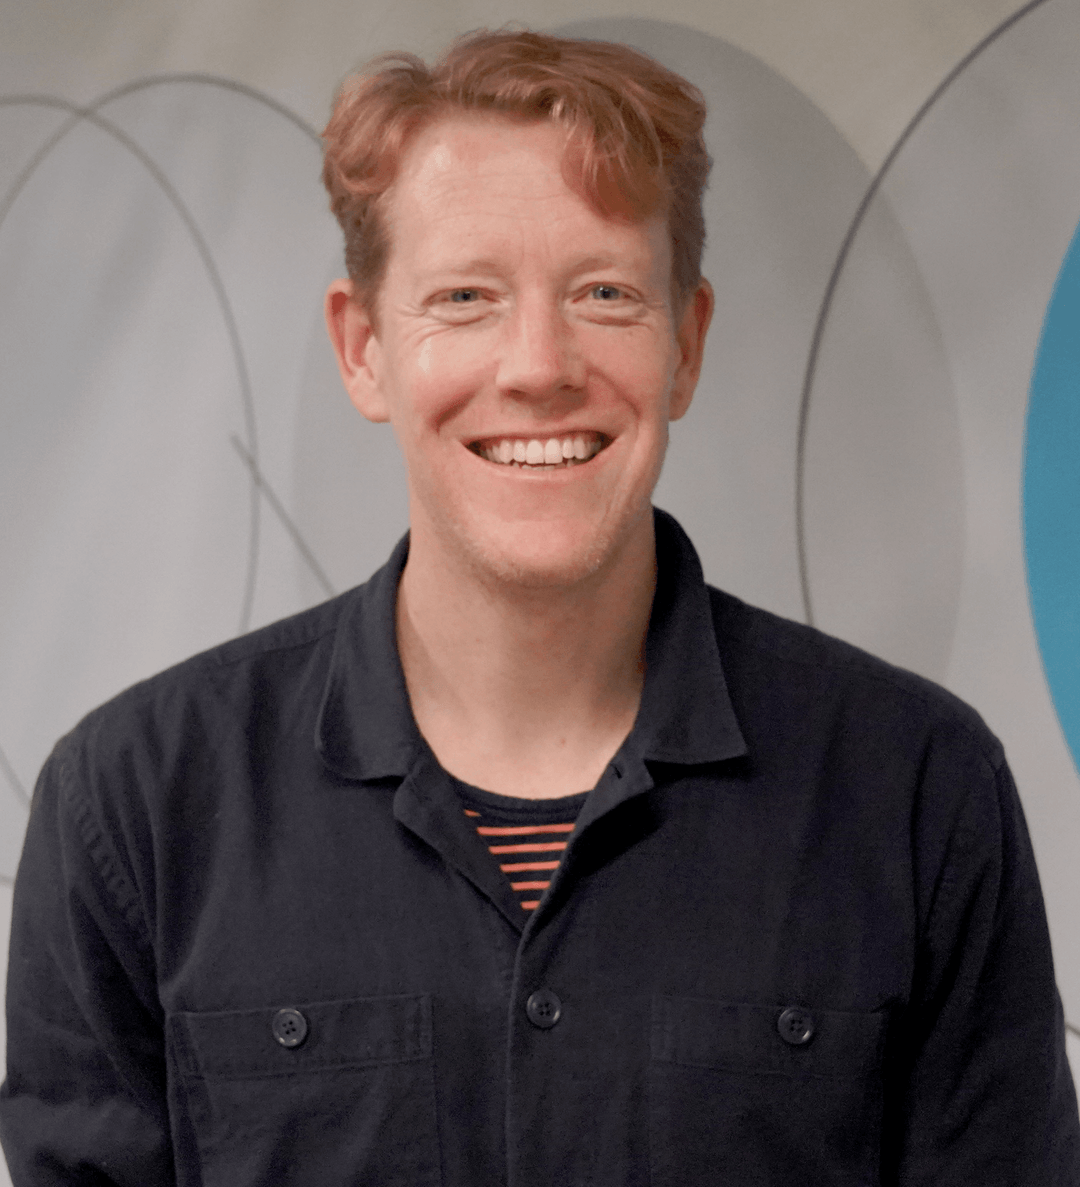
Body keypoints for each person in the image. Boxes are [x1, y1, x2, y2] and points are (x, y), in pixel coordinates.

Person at [1, 27, 1078, 1186]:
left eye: (604, 292)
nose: (538, 365)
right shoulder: (134, 807)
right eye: (465, 297)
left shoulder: (920, 789)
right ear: (364, 348)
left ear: (686, 343)